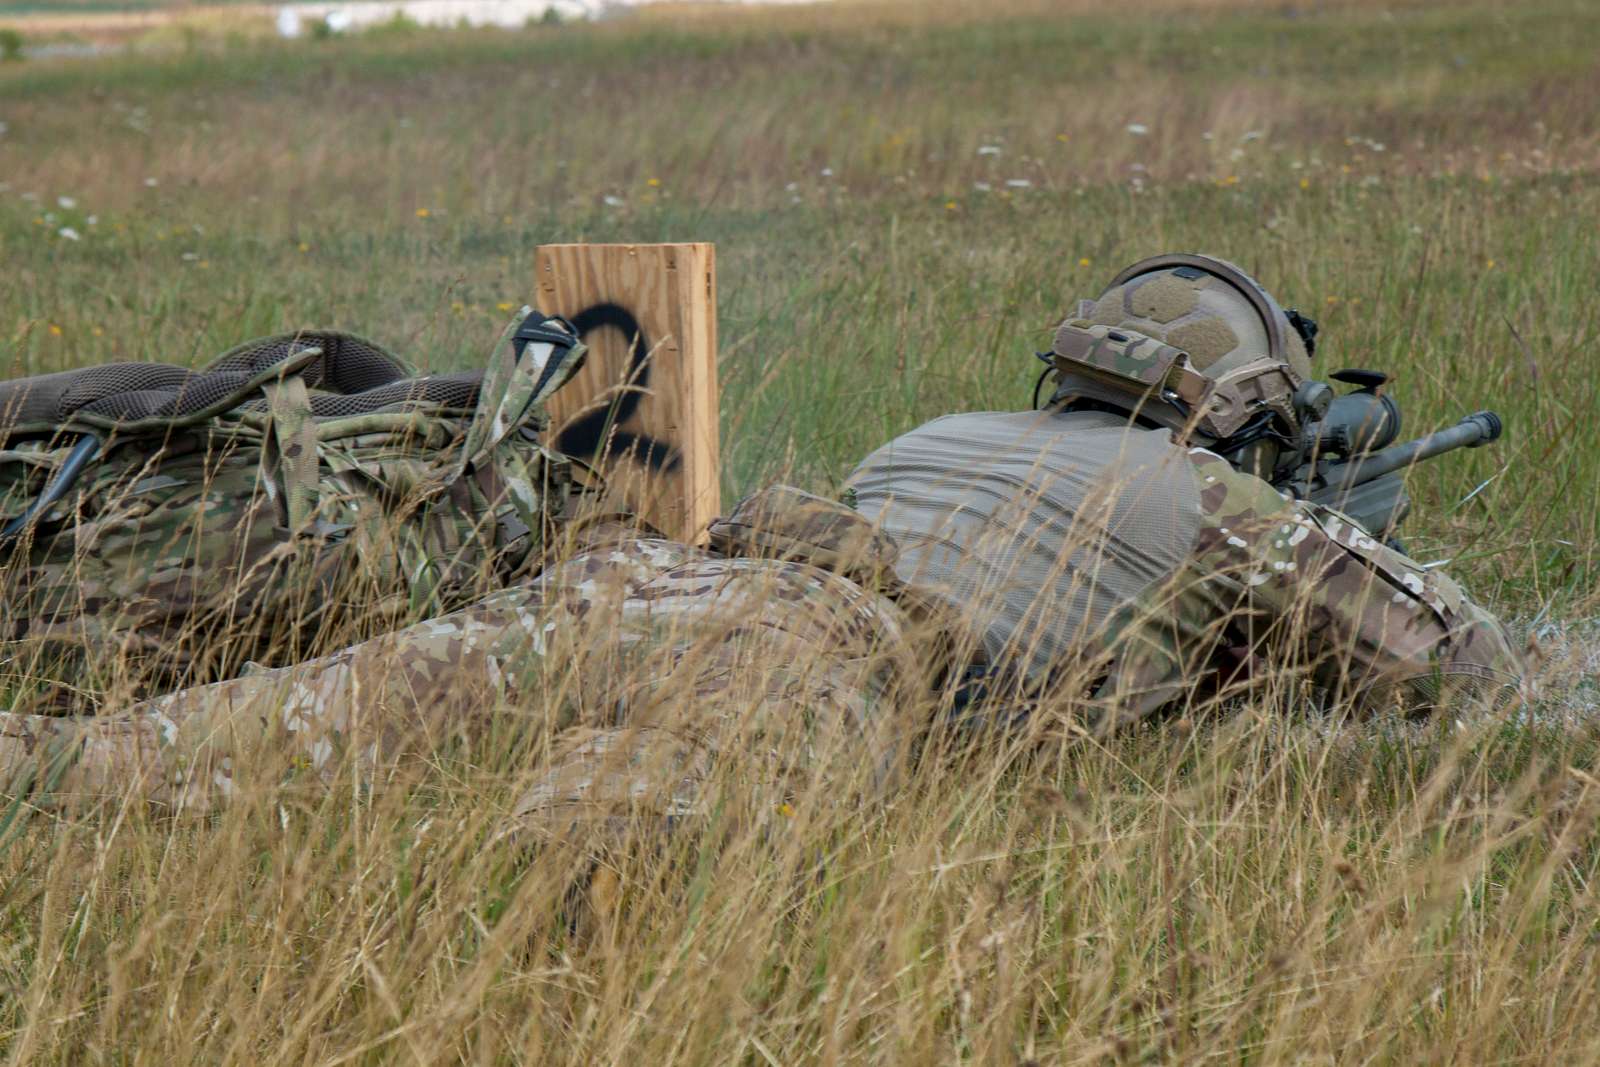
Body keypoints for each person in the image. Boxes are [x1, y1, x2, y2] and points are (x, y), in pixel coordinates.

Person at [0, 255, 1526, 837]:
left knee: (144, 768)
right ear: (1231, 416)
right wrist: (1325, 545)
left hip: (639, 586)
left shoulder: (931, 438)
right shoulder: (1219, 509)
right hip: (797, 656)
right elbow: (1466, 675)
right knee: (601, 881)